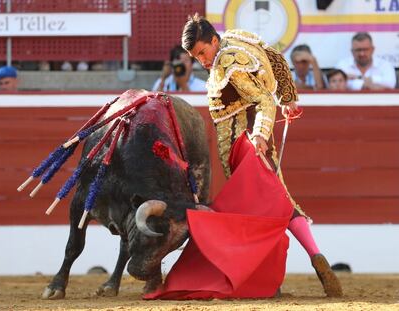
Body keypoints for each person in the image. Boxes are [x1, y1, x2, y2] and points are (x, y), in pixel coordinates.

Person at [146, 14, 342, 299]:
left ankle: (267, 279)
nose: (202, 60)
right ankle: (314, 255)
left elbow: (263, 99)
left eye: (203, 51)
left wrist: (261, 134)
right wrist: (288, 98)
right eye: (195, 56)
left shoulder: (228, 64)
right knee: (279, 201)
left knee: (256, 214)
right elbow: (274, 57)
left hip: (243, 145)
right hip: (255, 140)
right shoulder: (237, 39)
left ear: (214, 41)